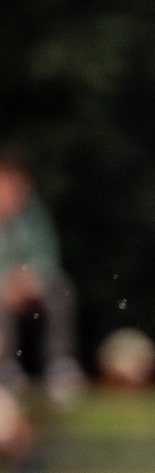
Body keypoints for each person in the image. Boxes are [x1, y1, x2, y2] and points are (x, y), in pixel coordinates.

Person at [0, 151, 84, 413]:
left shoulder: (31, 216)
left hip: (27, 285)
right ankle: (5, 367)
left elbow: (47, 254)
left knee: (59, 288)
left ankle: (60, 364)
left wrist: (31, 276)